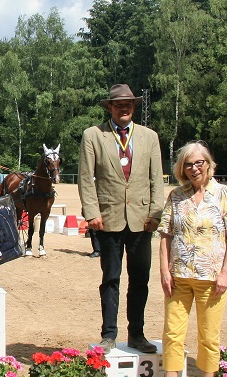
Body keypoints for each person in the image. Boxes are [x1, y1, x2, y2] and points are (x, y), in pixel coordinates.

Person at [147, 141, 227, 377]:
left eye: (199, 163)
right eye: (188, 164)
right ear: (182, 169)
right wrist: (164, 271)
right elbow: (165, 235)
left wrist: (225, 273)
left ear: (209, 164)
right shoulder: (176, 196)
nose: (194, 168)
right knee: (172, 334)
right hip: (178, 279)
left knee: (209, 336)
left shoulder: (224, 194)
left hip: (211, 279)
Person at [78, 84, 165, 354]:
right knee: (110, 279)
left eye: (129, 103)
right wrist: (92, 212)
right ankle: (108, 336)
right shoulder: (93, 135)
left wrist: (155, 213)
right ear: (110, 107)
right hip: (108, 219)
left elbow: (156, 179)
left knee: (140, 280)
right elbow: (85, 177)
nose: (124, 107)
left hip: (142, 221)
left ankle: (137, 334)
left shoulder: (150, 137)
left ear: (134, 106)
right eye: (119, 104)